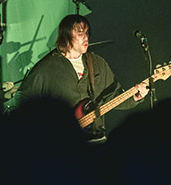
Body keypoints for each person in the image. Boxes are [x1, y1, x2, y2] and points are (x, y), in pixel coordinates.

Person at [19, 14, 148, 139]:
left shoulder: (98, 63)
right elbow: (24, 100)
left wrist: (136, 97)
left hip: (95, 140)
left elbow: (114, 96)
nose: (86, 38)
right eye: (80, 33)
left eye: (87, 33)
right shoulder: (46, 67)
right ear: (66, 36)